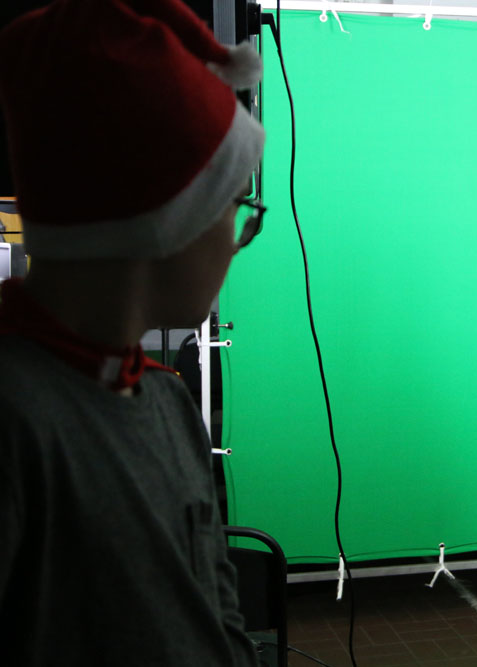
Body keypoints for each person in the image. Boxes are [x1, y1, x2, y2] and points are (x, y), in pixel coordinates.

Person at [0, 0, 266, 664]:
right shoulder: (16, 421)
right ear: (164, 222)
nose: (239, 241)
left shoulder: (168, 401)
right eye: (235, 206)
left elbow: (220, 616)